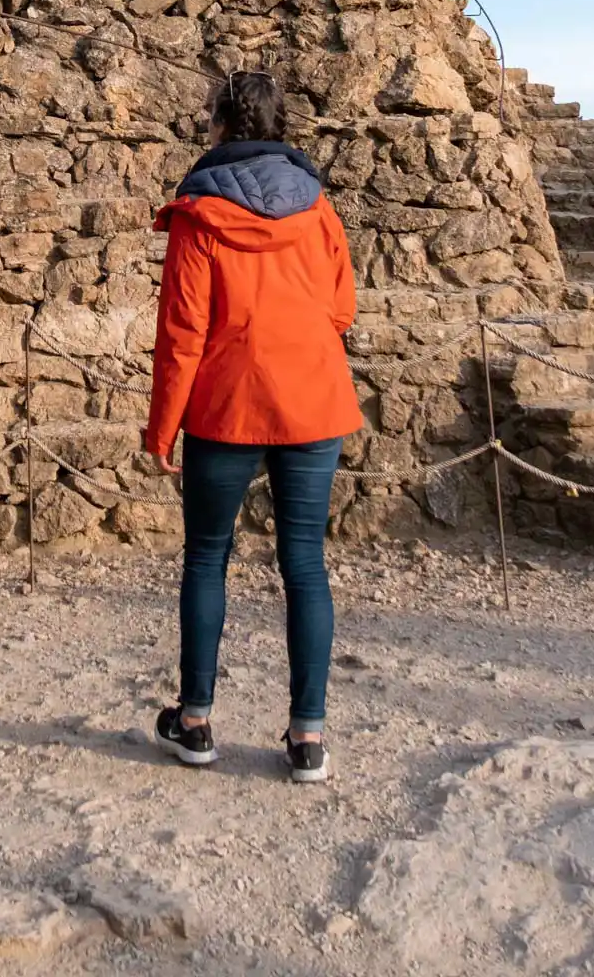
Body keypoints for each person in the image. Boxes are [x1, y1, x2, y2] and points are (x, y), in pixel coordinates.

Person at [144, 69, 361, 784]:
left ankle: (197, 722)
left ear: (221, 126)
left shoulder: (200, 212)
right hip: (310, 399)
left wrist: (162, 428)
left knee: (207, 556)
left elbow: (182, 331)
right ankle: (307, 738)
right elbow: (340, 310)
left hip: (227, 403)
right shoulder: (318, 208)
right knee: (304, 564)